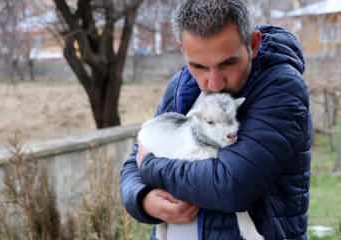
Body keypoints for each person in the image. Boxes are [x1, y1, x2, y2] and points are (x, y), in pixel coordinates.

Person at [120, 0, 312, 239]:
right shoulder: (180, 85)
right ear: (183, 50)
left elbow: (231, 185)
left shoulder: (281, 88)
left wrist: (150, 166)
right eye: (198, 66)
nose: (213, 83)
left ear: (253, 44)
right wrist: (143, 199)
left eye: (228, 64)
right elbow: (133, 160)